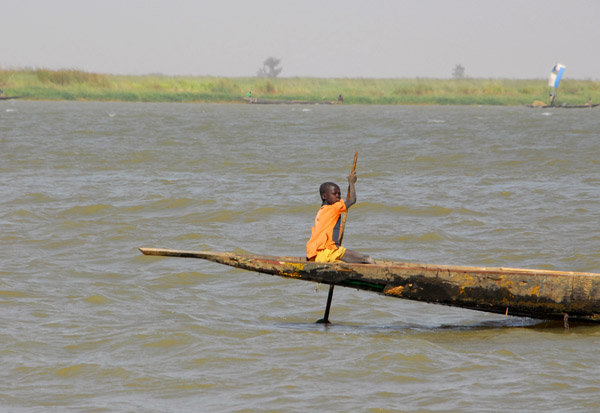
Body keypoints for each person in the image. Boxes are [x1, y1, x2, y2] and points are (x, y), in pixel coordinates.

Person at [306, 171, 373, 263]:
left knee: (345, 264)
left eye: (339, 193)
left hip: (316, 255)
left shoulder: (322, 210)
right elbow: (352, 200)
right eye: (335, 194)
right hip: (328, 252)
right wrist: (352, 183)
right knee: (366, 259)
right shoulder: (334, 208)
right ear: (324, 196)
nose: (338, 196)